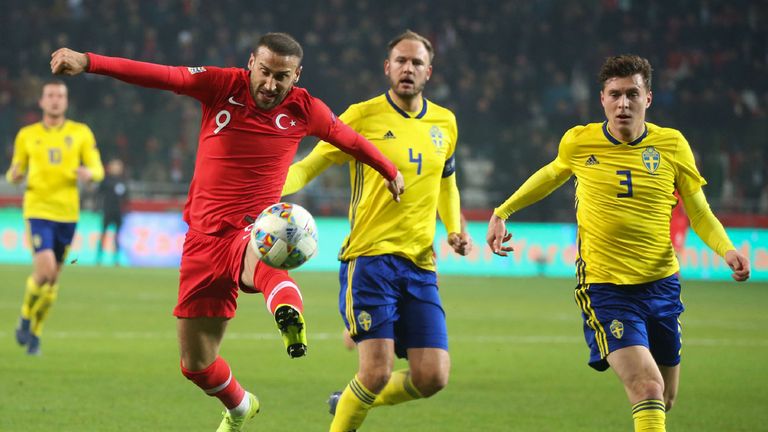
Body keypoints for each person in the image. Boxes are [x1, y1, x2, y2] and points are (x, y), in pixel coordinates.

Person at [50, 32, 405, 432]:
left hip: (253, 228)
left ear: (297, 75)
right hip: (201, 239)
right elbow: (163, 76)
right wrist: (90, 61)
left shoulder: (306, 109)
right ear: (251, 62)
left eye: (283, 77)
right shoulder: (222, 86)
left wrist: (388, 170)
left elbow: (350, 140)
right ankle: (240, 405)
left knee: (265, 250)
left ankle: (288, 313)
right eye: (266, 72)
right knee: (196, 364)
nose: (271, 85)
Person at [486, 55, 751, 432]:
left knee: (665, 397)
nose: (623, 103)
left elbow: (700, 213)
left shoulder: (672, 145)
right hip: (606, 287)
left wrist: (727, 249)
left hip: (662, 285)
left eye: (632, 94)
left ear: (649, 99)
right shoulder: (579, 142)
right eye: (615, 95)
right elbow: (550, 175)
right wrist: (503, 211)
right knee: (647, 386)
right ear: (602, 99)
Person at [282, 30, 471, 432]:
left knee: (432, 377)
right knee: (375, 373)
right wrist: (264, 188)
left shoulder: (446, 123)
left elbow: (445, 181)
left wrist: (454, 227)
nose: (408, 68)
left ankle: (345, 401)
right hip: (370, 261)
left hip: (421, 264)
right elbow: (309, 165)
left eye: (416, 63)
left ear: (429, 72)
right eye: (400, 61)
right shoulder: (361, 116)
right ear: (387, 68)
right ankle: (350, 408)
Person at [6, 79, 105, 356]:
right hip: (38, 209)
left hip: (68, 213)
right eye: (50, 95)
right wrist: (14, 175)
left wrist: (90, 174)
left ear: (66, 101)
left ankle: (35, 333)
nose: (55, 100)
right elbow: (14, 171)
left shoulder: (81, 133)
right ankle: (25, 317)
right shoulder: (27, 135)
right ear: (41, 101)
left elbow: (98, 168)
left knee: (52, 281)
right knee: (45, 271)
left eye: (60, 95)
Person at [96, 158, 129, 266]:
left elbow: (126, 198)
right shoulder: (106, 180)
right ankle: (99, 257)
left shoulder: (123, 181)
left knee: (117, 236)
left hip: (118, 212)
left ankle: (116, 259)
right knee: (104, 233)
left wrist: (126, 210)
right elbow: (98, 193)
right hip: (107, 211)